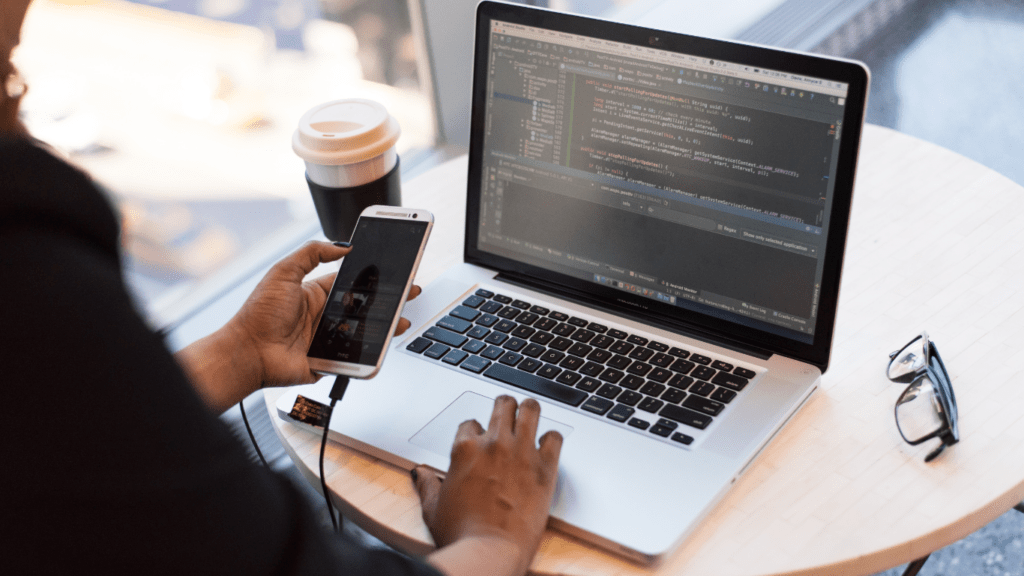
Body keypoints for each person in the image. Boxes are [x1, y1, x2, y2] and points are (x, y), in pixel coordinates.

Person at [0, 2, 562, 575]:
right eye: (10, 73)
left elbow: (85, 436)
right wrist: (494, 540)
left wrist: (240, 351)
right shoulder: (31, 281)